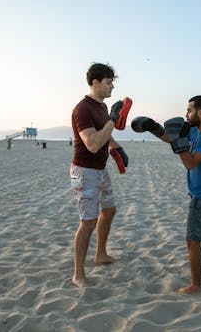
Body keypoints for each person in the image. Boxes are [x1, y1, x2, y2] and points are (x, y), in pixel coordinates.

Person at [131, 95, 201, 294]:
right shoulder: (194, 130)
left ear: (200, 113)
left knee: (192, 241)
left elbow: (190, 162)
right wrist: (153, 127)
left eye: (189, 110)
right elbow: (170, 137)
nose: (186, 114)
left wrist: (180, 145)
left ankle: (195, 286)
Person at [70, 63, 129, 287]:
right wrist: (114, 119)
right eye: (108, 81)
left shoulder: (102, 108)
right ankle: (78, 275)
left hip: (100, 170)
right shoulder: (82, 109)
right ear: (95, 82)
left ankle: (100, 254)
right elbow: (93, 144)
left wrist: (116, 148)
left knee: (110, 210)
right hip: (84, 171)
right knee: (88, 222)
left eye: (112, 81)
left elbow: (103, 135)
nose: (112, 86)